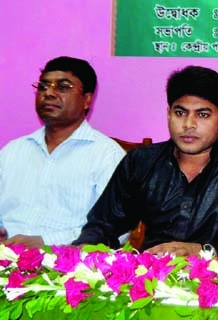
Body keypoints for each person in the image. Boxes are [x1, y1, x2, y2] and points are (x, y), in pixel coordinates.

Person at [73, 66, 218, 256]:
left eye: (202, 115)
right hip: (150, 279)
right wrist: (85, 249)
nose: (188, 124)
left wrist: (199, 251)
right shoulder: (141, 161)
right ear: (168, 114)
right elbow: (103, 224)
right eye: (180, 113)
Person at [0, 57, 125, 248]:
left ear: (87, 100)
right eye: (43, 86)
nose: (49, 93)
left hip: (68, 267)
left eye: (63, 87)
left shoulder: (106, 155)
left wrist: (46, 243)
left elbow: (118, 228)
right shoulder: (13, 151)